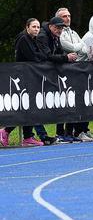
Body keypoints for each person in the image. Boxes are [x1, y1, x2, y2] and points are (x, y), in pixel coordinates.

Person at [0, 19, 59, 148]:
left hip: (31, 77)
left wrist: (41, 56)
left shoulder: (33, 39)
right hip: (22, 77)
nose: (36, 29)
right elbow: (35, 57)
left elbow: (41, 55)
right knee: (24, 106)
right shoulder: (23, 39)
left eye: (38, 27)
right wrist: (41, 56)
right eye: (34, 27)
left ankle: (27, 136)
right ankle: (7, 131)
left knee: (30, 107)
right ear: (27, 27)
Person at [55, 7, 93, 140]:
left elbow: (84, 49)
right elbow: (71, 47)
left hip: (75, 70)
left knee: (74, 101)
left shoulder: (72, 32)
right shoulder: (60, 32)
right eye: (64, 16)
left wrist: (77, 47)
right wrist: (77, 47)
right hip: (63, 71)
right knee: (64, 101)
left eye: (69, 16)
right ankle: (60, 133)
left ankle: (71, 132)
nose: (68, 18)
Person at [38, 15, 79, 143]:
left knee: (64, 100)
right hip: (38, 73)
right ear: (50, 26)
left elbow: (59, 52)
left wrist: (66, 56)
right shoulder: (43, 36)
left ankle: (61, 133)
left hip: (53, 73)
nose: (59, 30)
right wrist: (66, 58)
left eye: (61, 28)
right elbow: (47, 55)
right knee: (36, 105)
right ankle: (9, 131)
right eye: (57, 28)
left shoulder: (56, 36)